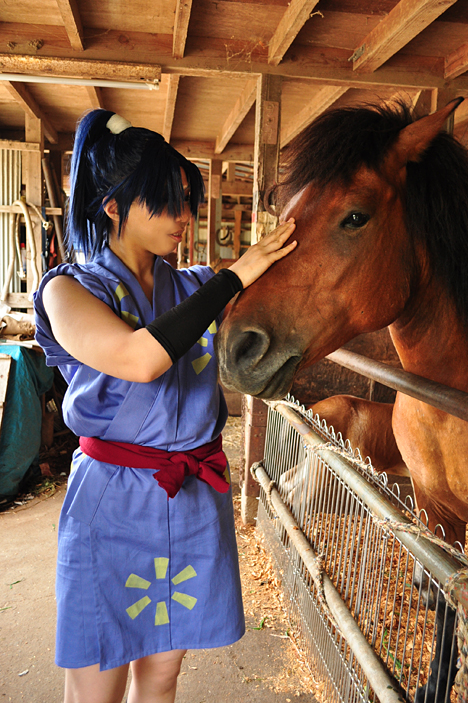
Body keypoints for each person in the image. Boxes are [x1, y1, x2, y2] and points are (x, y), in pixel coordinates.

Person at [33, 109, 296, 703]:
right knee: (97, 680)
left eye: (185, 200)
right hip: (114, 501)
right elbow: (137, 359)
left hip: (190, 500)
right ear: (112, 207)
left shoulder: (194, 283)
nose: (183, 217)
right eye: (164, 201)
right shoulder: (67, 290)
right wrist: (234, 278)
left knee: (161, 677)